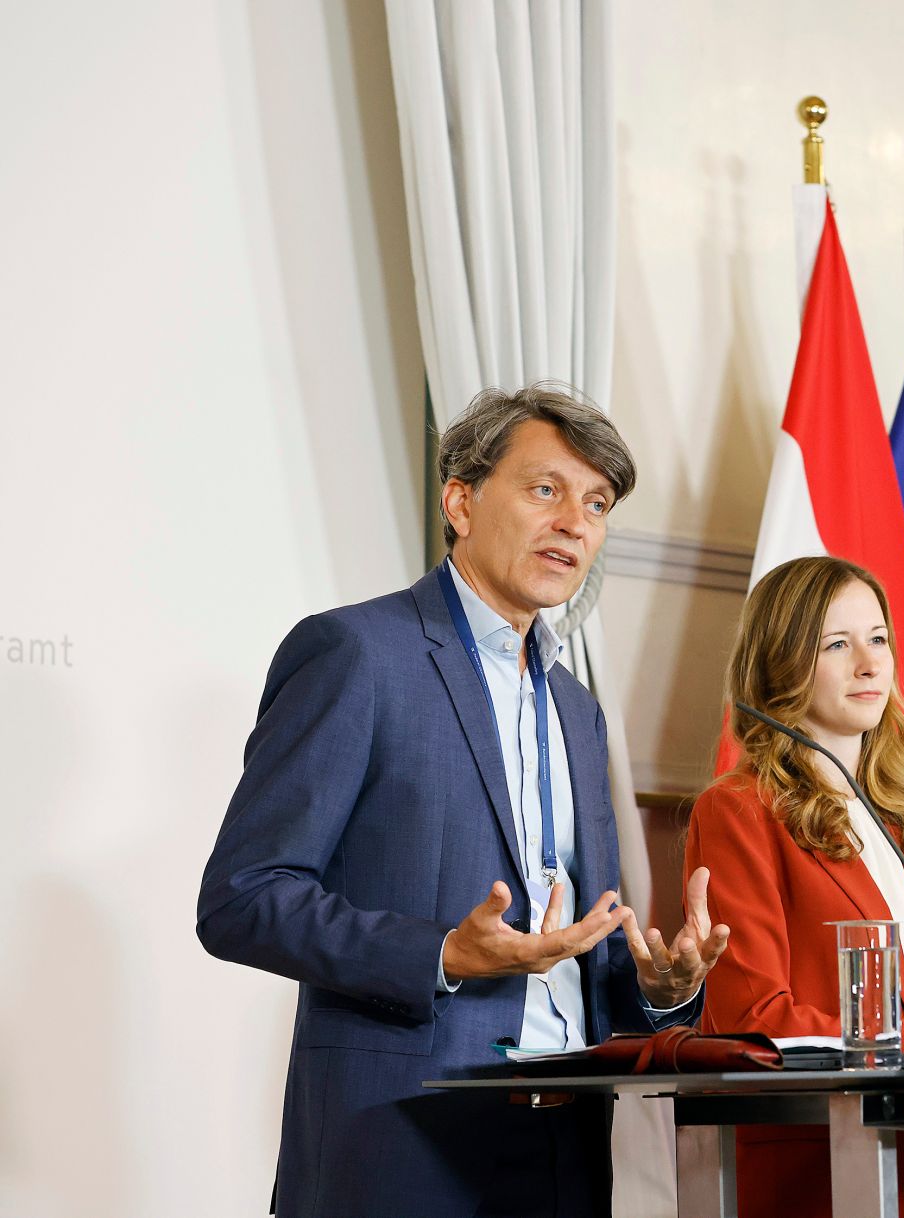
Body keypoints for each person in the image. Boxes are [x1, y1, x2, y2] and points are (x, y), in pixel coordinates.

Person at [197, 383, 730, 1218]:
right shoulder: (357, 654)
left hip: (569, 1149)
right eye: (545, 489)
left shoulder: (579, 712)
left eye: (596, 504)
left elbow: (580, 953)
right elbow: (242, 898)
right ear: (461, 501)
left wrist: (661, 989)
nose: (574, 523)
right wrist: (441, 955)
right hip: (403, 1143)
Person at [686, 555, 904, 1218]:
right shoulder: (739, 812)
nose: (870, 664)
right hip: (823, 1174)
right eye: (837, 645)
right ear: (781, 662)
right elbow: (755, 1024)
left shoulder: (903, 820)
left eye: (878, 639)